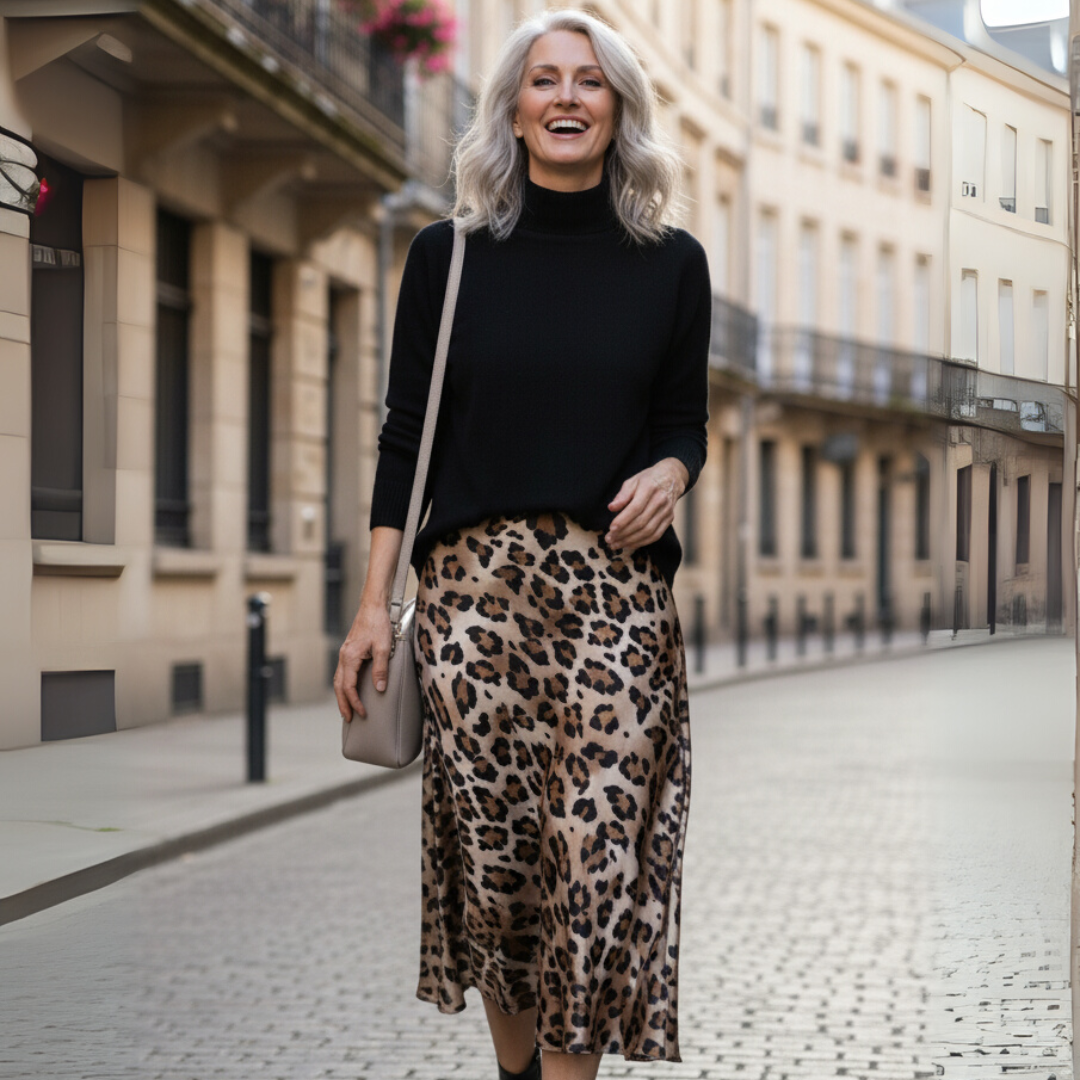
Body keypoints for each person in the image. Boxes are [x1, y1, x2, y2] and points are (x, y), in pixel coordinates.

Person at [334, 8, 711, 1079]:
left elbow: (682, 419)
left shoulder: (671, 265)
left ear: (618, 108)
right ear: (510, 107)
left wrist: (673, 471)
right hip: (474, 606)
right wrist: (373, 610)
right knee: (501, 882)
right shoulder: (446, 258)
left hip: (615, 606)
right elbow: (405, 438)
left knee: (595, 868)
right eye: (543, 80)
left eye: (588, 82)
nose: (564, 98)